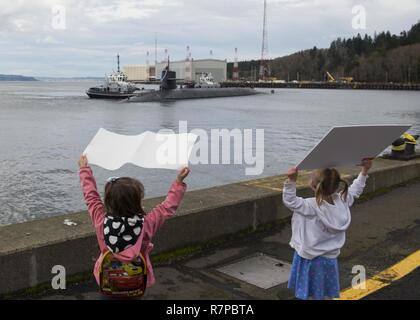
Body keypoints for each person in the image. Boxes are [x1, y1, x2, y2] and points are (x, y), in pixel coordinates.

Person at [78, 155, 189, 298]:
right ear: (137, 202)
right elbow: (167, 207)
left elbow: (91, 196)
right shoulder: (146, 224)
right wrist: (179, 182)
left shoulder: (101, 221)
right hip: (135, 283)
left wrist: (84, 169)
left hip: (108, 280)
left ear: (108, 201)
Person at [282, 159, 373, 300]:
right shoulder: (342, 201)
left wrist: (291, 180)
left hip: (310, 257)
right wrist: (364, 171)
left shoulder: (311, 206)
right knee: (323, 289)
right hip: (329, 258)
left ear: (313, 185)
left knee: (309, 291)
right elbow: (356, 189)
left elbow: (290, 201)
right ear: (336, 185)